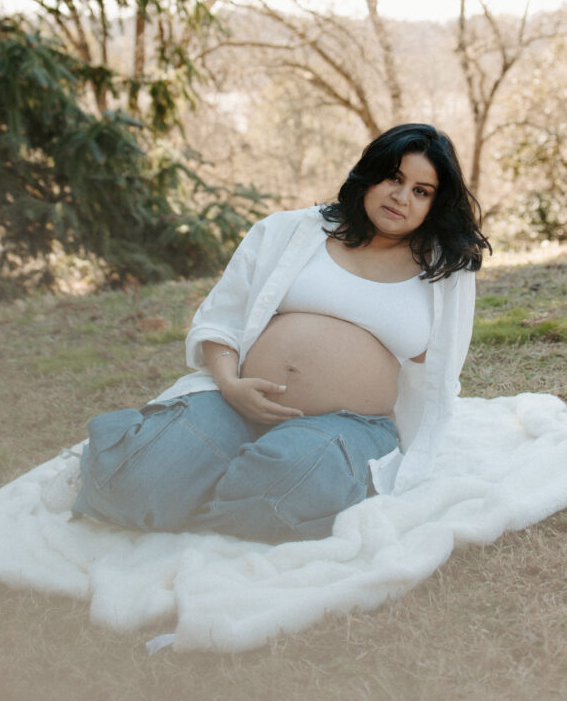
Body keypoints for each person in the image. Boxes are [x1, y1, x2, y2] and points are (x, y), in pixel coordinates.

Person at [70, 123, 490, 542]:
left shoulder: (444, 272)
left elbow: (437, 372)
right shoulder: (293, 230)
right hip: (235, 402)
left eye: (422, 190)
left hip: (348, 425)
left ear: (436, 204)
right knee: (131, 483)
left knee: (280, 493)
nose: (401, 197)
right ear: (369, 174)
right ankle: (204, 474)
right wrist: (230, 384)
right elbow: (223, 318)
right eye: (394, 178)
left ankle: (222, 486)